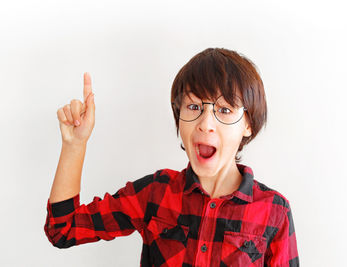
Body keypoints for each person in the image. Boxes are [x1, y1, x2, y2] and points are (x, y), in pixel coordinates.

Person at [44, 47, 299, 266]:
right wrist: (75, 144)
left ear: (248, 124)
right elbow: (62, 229)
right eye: (194, 107)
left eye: (224, 109)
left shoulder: (274, 212)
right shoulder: (156, 193)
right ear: (179, 117)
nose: (206, 123)